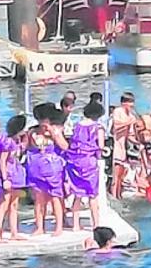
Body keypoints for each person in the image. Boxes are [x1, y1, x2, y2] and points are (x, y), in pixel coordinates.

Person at [26, 104, 69, 237]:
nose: (42, 122)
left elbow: (65, 146)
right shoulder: (32, 132)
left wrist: (53, 133)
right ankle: (39, 227)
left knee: (56, 197)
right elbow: (27, 147)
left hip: (53, 168)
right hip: (36, 168)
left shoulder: (55, 131)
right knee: (39, 199)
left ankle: (59, 226)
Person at [66, 101, 106, 232]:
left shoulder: (77, 126)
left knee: (77, 193)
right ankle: (96, 224)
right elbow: (100, 146)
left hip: (74, 161)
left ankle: (76, 225)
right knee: (92, 195)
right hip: (89, 162)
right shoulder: (98, 127)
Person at [0, 114, 30, 242]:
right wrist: (4, 179)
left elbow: (25, 146)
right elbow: (2, 161)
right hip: (9, 175)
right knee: (4, 205)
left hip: (17, 175)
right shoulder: (7, 142)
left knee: (14, 205)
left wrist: (25, 136)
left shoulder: (18, 141)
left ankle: (14, 232)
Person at [108, 92, 139, 199]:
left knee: (121, 175)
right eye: (130, 103)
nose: (132, 105)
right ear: (124, 103)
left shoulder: (131, 116)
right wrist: (129, 122)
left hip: (123, 148)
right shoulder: (117, 111)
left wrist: (139, 143)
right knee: (115, 176)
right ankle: (113, 196)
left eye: (132, 102)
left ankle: (118, 196)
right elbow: (115, 127)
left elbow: (130, 135)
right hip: (115, 146)